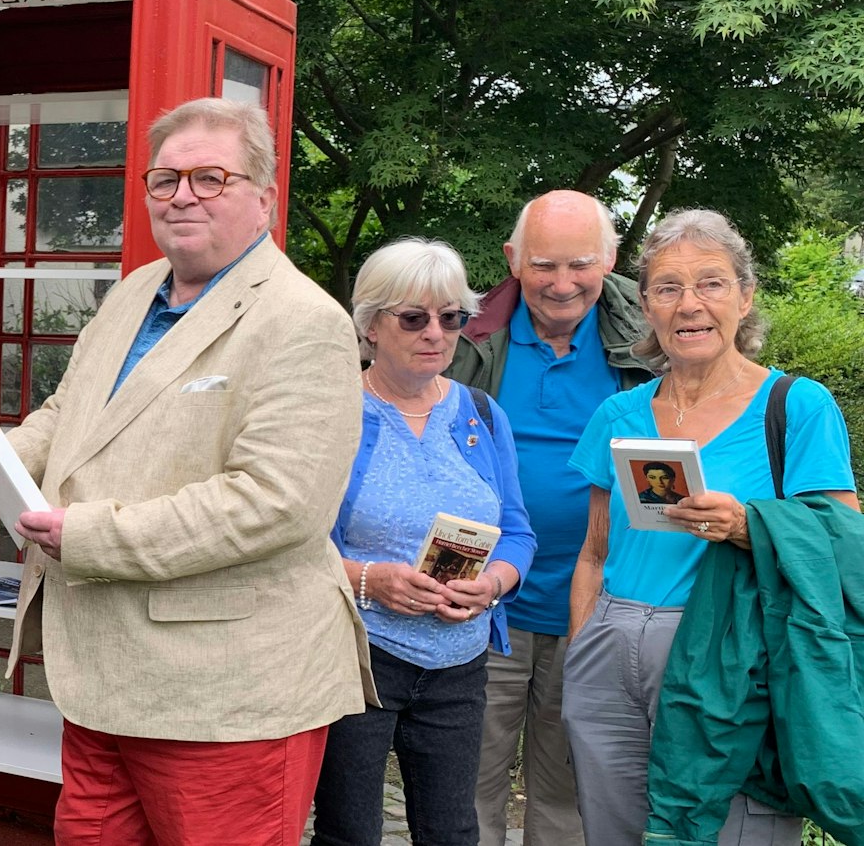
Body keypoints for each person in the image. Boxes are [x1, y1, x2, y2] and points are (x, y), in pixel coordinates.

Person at [0, 99, 371, 846]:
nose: (183, 194)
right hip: (100, 676)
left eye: (211, 177)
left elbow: (276, 503)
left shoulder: (303, 321)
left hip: (224, 693)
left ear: (265, 197)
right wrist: (10, 457)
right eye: (165, 177)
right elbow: (71, 407)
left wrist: (85, 535)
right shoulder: (133, 292)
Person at [562, 208, 860, 846]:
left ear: (745, 297)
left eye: (711, 283)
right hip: (611, 644)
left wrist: (748, 525)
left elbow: (843, 547)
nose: (689, 304)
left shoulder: (796, 406)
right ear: (646, 305)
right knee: (613, 830)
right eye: (668, 288)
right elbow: (593, 551)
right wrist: (581, 649)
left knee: (730, 830)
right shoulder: (618, 412)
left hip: (731, 646)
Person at [311, 238, 535, 846]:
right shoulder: (332, 412)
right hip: (358, 656)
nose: (435, 332)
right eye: (413, 317)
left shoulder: (483, 414)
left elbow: (517, 532)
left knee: (452, 830)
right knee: (349, 832)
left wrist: (492, 585)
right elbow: (292, 542)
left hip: (459, 660)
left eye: (451, 318)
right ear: (371, 325)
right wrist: (368, 579)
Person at [445, 189, 653, 846]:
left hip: (600, 604)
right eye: (542, 265)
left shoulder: (653, 335)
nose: (561, 283)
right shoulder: (466, 333)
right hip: (485, 603)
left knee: (569, 792)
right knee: (464, 782)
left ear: (612, 258)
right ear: (512, 259)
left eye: (579, 264)